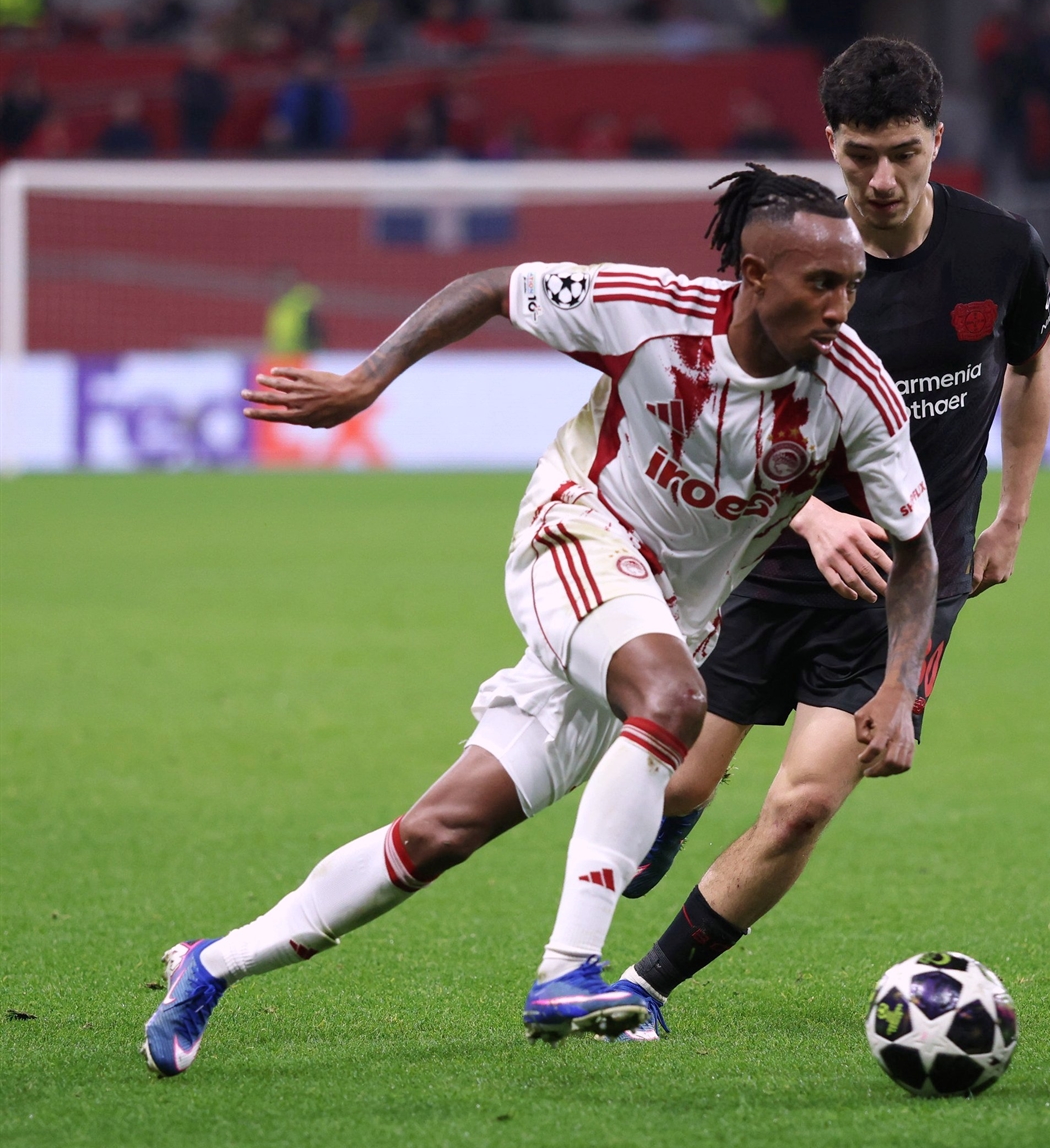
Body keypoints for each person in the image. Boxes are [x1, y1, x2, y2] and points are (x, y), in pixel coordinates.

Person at [140, 165, 937, 1076]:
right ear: (755, 276)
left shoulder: (856, 390)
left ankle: (210, 964)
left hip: (660, 616)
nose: (841, 307)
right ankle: (567, 971)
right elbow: (492, 288)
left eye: (852, 286)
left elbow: (917, 549)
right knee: (676, 698)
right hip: (575, 534)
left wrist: (898, 685)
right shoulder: (648, 311)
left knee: (440, 831)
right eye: (821, 283)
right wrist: (366, 380)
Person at [602, 36, 1050, 1037]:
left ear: (938, 139)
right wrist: (807, 511)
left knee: (803, 803)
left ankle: (639, 989)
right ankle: (676, 812)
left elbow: (1029, 360)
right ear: (830, 143)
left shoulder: (1000, 250)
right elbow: (719, 412)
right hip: (768, 557)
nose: (882, 179)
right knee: (677, 779)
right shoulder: (793, 263)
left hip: (906, 583)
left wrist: (1013, 515)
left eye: (903, 153)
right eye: (859, 156)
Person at [267, 52, 350, 154]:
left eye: (316, 66)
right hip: (294, 146)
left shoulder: (333, 93)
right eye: (310, 65)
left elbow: (339, 123)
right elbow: (283, 118)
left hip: (328, 147)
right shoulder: (291, 92)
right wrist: (280, 129)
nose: (313, 69)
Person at [174, 37, 230, 154]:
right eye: (201, 52)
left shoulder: (216, 78)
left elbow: (224, 102)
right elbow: (186, 101)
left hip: (217, 125)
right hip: (193, 127)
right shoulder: (186, 77)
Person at [95, 89, 155, 158]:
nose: (124, 109)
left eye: (128, 104)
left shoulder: (143, 133)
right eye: (119, 104)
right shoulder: (108, 133)